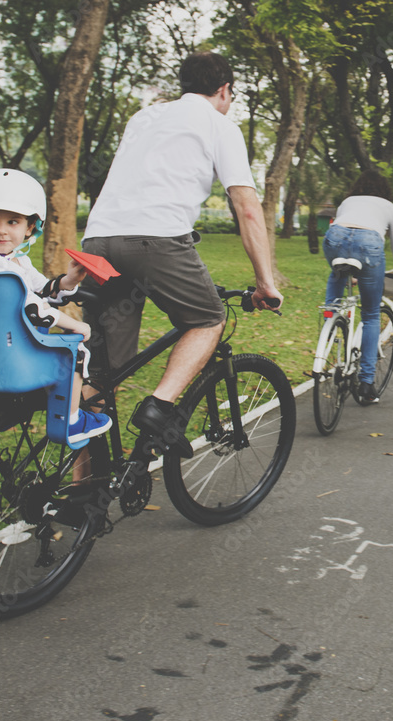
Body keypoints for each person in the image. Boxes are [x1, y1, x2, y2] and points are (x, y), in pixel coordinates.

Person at [80, 50, 283, 458]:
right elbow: (246, 207)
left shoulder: (144, 117)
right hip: (156, 241)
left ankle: (83, 490)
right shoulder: (218, 124)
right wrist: (265, 282)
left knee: (104, 374)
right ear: (224, 90)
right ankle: (159, 408)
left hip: (97, 241)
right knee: (208, 317)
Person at [0, 168, 112, 445]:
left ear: (29, 227)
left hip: (1, 345)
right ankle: (71, 421)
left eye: (12, 222)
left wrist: (68, 281)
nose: (1, 230)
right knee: (74, 352)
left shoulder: (15, 261)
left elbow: (42, 290)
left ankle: (48, 402)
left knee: (61, 350)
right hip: (6, 350)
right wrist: (75, 325)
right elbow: (33, 308)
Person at [322, 170, 393, 406]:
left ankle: (330, 325)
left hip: (334, 239)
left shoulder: (347, 202)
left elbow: (346, 232)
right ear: (384, 189)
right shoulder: (390, 207)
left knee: (336, 275)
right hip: (369, 247)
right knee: (372, 314)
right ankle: (366, 384)